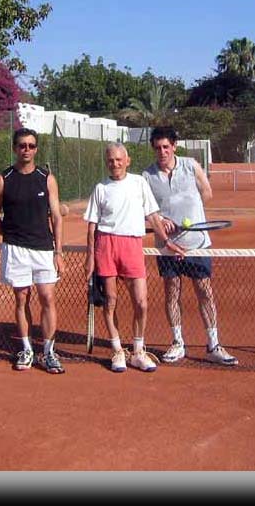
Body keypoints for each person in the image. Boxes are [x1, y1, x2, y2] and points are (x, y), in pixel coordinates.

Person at [83, 142, 186, 373]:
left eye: (119, 160)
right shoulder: (101, 187)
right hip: (106, 244)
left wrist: (167, 242)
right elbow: (92, 227)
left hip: (132, 244)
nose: (115, 164)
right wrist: (90, 257)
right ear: (106, 162)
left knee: (141, 302)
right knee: (110, 301)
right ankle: (118, 350)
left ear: (127, 161)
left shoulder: (139, 183)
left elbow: (152, 215)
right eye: (110, 160)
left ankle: (138, 351)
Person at [142, 126, 238, 366]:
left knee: (204, 291)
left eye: (166, 146)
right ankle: (177, 343)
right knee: (172, 292)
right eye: (157, 148)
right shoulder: (147, 176)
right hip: (167, 246)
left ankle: (213, 344)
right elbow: (144, 211)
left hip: (197, 244)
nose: (162, 152)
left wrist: (191, 216)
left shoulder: (191, 165)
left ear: (174, 146)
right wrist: (161, 220)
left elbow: (207, 192)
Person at [0, 128, 66, 374]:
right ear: (15, 148)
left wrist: (58, 252)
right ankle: (26, 349)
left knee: (47, 298)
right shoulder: (4, 178)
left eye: (31, 146)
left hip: (44, 249)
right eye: (22, 146)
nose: (27, 150)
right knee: (21, 299)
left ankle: (49, 352)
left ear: (36, 149)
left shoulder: (46, 178)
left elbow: (56, 216)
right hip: (16, 250)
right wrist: (9, 236)